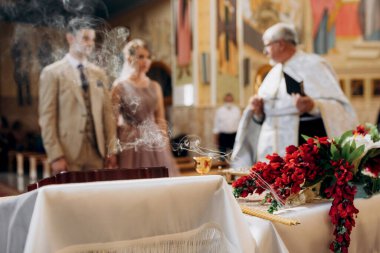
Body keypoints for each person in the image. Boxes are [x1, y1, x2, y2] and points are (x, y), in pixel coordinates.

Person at [232, 22, 358, 168]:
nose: (265, 52)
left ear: (280, 44)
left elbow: (339, 106)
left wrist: (313, 106)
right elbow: (263, 116)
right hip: (269, 152)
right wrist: (258, 111)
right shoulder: (272, 73)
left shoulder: (314, 65)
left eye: (267, 45)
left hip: (302, 147)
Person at [39, 17, 117, 174]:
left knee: (96, 198)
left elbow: (107, 114)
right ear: (70, 38)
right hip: (68, 154)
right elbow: (47, 118)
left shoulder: (99, 74)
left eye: (93, 39)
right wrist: (55, 156)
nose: (90, 43)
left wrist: (111, 149)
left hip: (98, 152)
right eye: (86, 38)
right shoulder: (52, 73)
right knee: (69, 198)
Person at [111, 39, 179, 176]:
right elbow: (112, 122)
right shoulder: (119, 86)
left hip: (154, 142)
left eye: (148, 57)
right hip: (130, 142)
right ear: (129, 58)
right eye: (141, 57)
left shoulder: (155, 86)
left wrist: (166, 147)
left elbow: (160, 119)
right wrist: (112, 151)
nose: (146, 61)